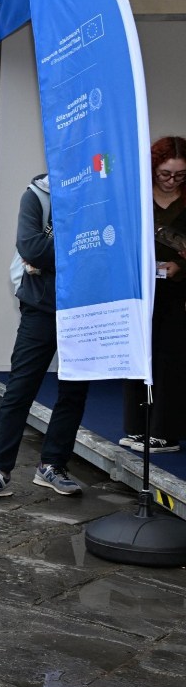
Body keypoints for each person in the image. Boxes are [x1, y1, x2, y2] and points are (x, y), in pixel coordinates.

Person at [0, 173, 89, 502]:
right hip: (41, 306)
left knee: (74, 391)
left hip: (85, 307)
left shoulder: (98, 193)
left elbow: (107, 248)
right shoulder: (37, 194)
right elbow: (31, 247)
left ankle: (53, 465)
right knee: (19, 389)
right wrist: (80, 244)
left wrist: (57, 255)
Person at [120, 136, 186, 454]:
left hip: (177, 294)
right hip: (141, 290)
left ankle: (164, 431)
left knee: (169, 360)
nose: (172, 181)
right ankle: (137, 426)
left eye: (179, 175)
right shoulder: (138, 197)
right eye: (165, 174)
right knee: (138, 356)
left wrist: (180, 268)